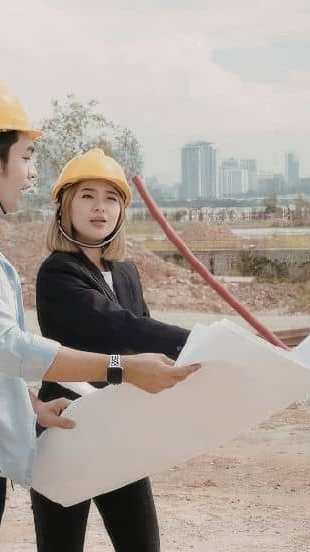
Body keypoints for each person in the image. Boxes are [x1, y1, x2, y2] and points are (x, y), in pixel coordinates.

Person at [0, 81, 199, 551]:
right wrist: (123, 367)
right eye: (27, 156)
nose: (32, 174)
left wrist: (29, 405)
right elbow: (10, 347)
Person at [30, 148, 192, 552]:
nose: (100, 207)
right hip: (67, 429)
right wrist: (194, 341)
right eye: (87, 196)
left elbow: (143, 330)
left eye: (111, 198)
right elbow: (121, 327)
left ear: (121, 211)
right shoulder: (57, 273)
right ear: (65, 207)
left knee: (142, 544)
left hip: (118, 433)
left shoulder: (126, 271)